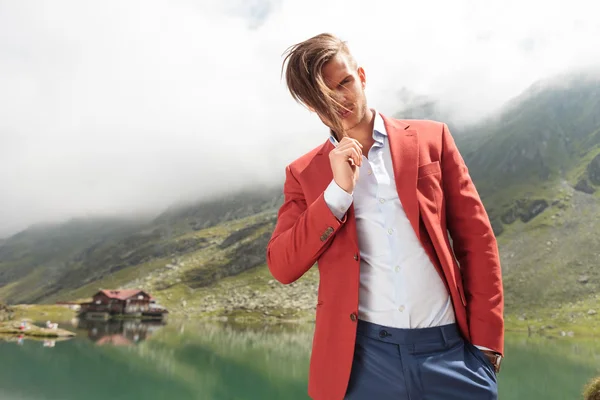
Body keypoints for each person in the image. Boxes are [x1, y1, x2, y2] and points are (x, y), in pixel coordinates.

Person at [266, 32, 504, 400]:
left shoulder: (432, 139)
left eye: (345, 82)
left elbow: (477, 240)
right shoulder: (303, 174)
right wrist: (337, 194)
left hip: (452, 355)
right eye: (326, 96)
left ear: (361, 76)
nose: (341, 99)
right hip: (363, 365)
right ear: (312, 107)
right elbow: (282, 265)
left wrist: (488, 345)